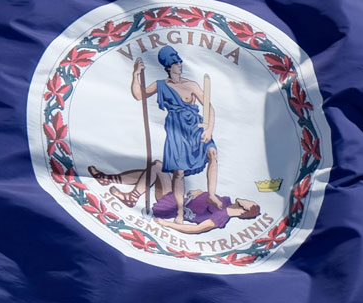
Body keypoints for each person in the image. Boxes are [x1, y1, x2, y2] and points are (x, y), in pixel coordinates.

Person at [130, 46, 218, 223]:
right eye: (176, 63)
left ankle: (212, 195)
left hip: (195, 126)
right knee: (179, 172)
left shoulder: (191, 84)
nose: (180, 65)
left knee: (213, 154)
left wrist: (209, 129)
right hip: (176, 130)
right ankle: (179, 211)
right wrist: (135, 75)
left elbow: (209, 107)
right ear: (169, 66)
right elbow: (139, 95)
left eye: (179, 62)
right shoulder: (161, 85)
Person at [87, 161, 259, 234]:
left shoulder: (221, 217)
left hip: (171, 206)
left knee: (156, 168)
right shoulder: (226, 201)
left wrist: (167, 224)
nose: (249, 199)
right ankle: (108, 179)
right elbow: (205, 197)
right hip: (178, 196)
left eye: (251, 203)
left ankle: (131, 196)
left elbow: (196, 229)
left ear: (245, 209)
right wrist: (199, 192)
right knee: (156, 168)